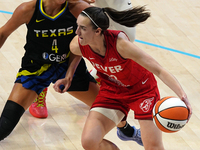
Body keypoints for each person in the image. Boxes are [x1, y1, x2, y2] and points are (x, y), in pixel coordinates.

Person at [0, 0, 142, 144]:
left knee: (113, 108)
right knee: (3, 128)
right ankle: (39, 92)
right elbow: (2, 33)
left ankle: (127, 131)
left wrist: (70, 74)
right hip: (36, 70)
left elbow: (83, 42)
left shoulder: (79, 8)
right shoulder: (27, 9)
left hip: (69, 69)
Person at [53, 6, 192, 150]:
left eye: (82, 28)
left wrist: (182, 96)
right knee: (89, 141)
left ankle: (129, 131)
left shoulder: (121, 45)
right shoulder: (77, 43)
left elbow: (159, 70)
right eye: (77, 26)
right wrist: (69, 76)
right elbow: (78, 52)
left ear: (98, 31)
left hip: (142, 91)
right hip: (112, 91)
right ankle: (127, 131)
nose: (77, 32)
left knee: (153, 147)